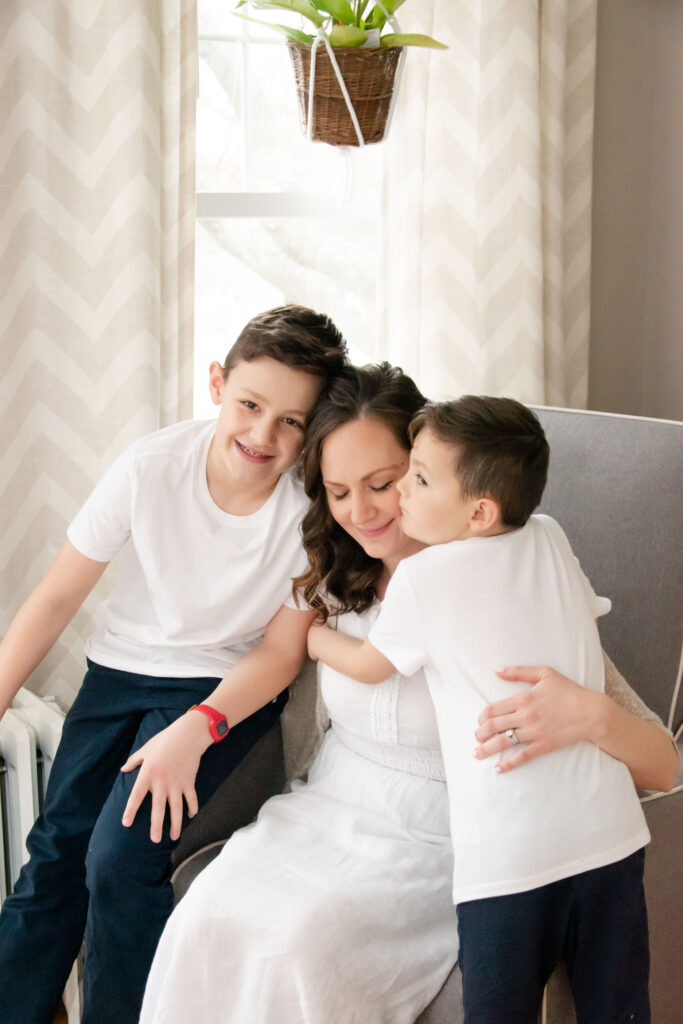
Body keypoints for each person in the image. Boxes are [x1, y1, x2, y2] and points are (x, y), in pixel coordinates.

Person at [140, 365, 677, 1024]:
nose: (360, 512)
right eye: (338, 491)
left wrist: (589, 714)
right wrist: (196, 726)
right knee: (205, 916)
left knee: (299, 946)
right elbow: (280, 653)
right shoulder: (336, 576)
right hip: (324, 814)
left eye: (387, 484)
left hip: (441, 837)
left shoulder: (509, 587)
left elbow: (662, 764)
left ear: (437, 478)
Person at [0, 305, 347, 1024]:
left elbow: (282, 652)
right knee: (56, 855)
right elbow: (58, 595)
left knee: (119, 860)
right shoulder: (151, 465)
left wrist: (196, 728)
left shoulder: (310, 511)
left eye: (291, 422)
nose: (263, 434)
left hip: (220, 688)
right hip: (116, 676)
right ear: (217, 384)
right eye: (251, 405)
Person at [307, 394, 675, 1024]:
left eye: (416, 481)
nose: (399, 497)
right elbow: (581, 620)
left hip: (510, 859)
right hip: (610, 837)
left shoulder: (426, 580)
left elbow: (371, 664)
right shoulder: (551, 535)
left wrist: (313, 637)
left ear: (479, 511)